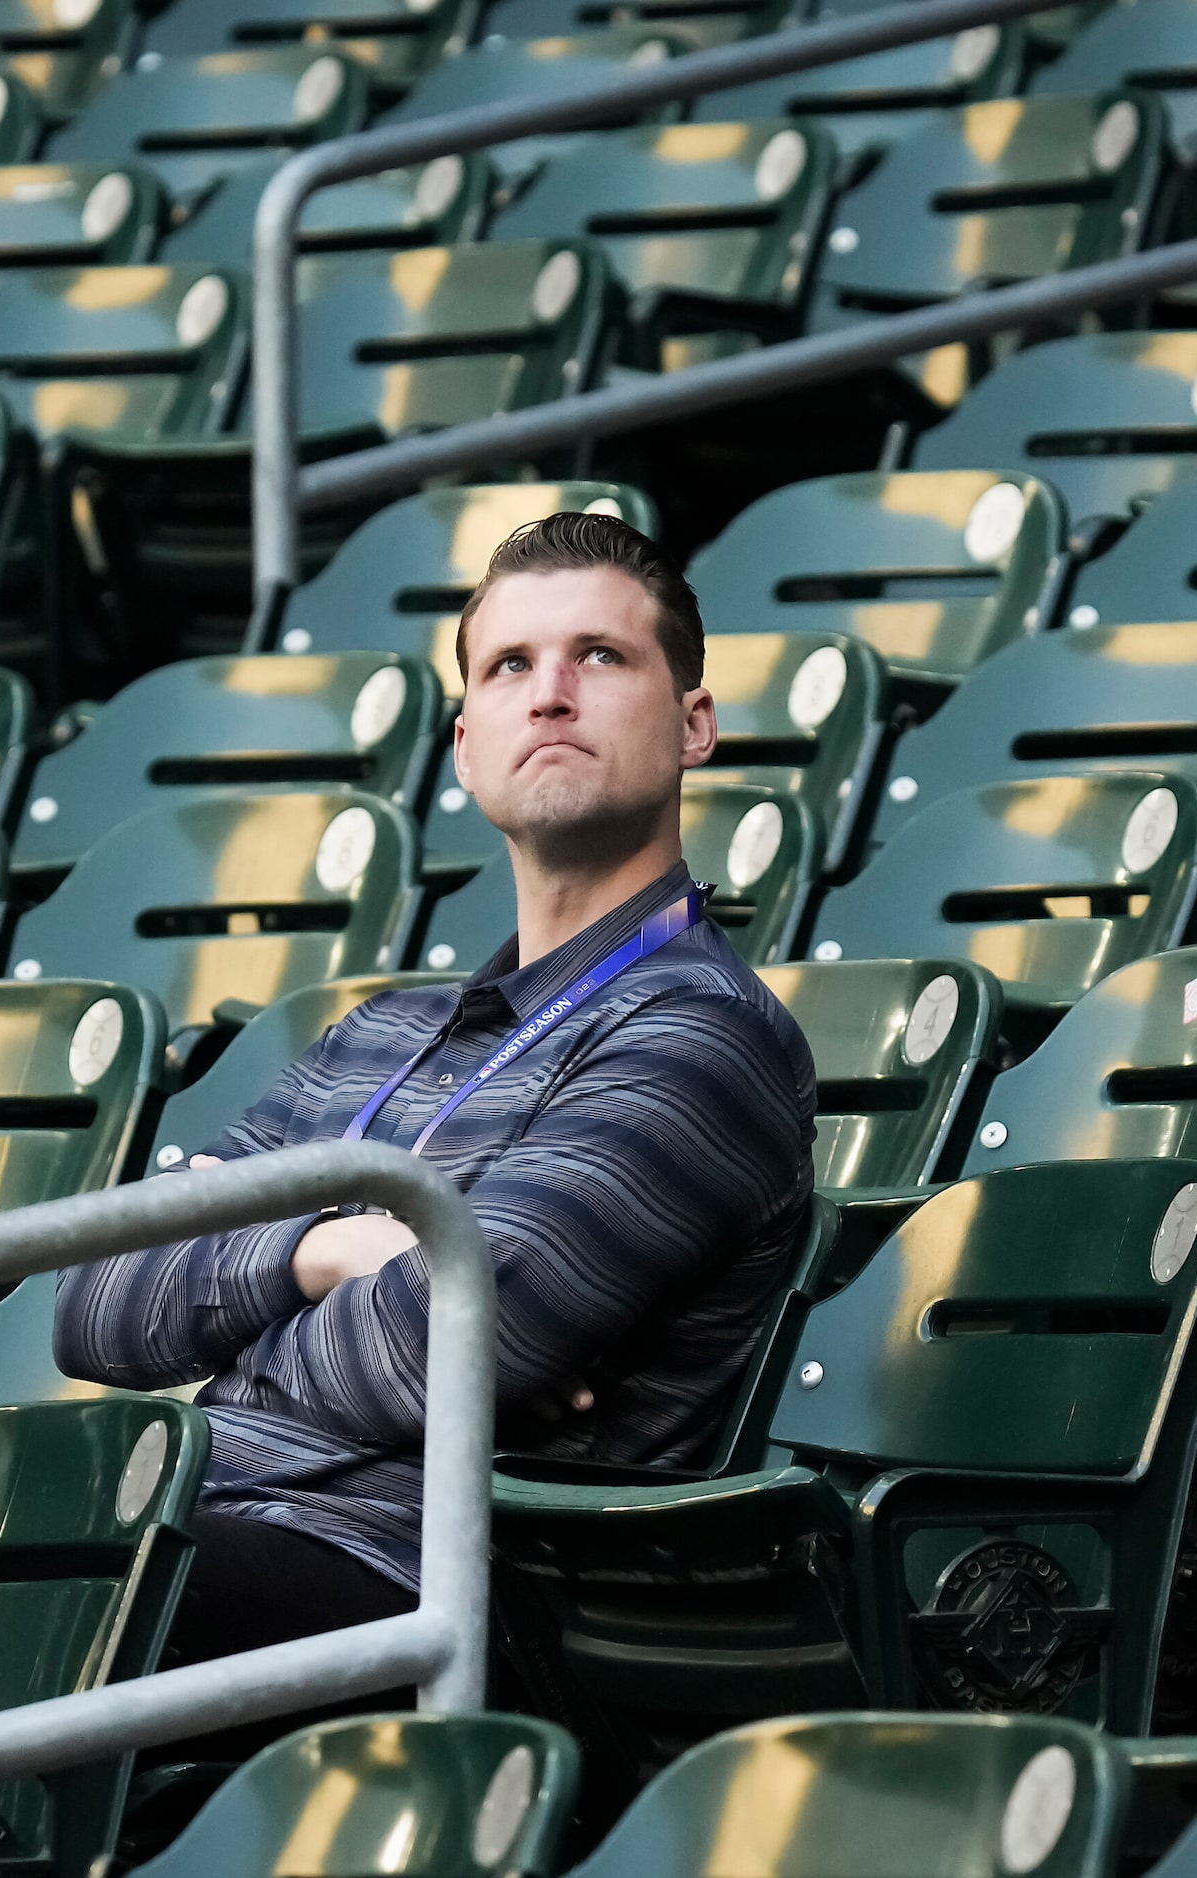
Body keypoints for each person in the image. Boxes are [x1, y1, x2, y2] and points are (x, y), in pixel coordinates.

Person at [53, 511, 817, 1669]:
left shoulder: (703, 1033)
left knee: (14, 1595)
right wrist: (325, 1251)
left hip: (416, 1580)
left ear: (694, 724)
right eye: (510, 666)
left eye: (599, 657)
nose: (549, 694)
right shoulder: (379, 1033)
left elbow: (441, 1345)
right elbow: (95, 1302)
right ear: (466, 748)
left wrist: (258, 1292)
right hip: (203, 1520)